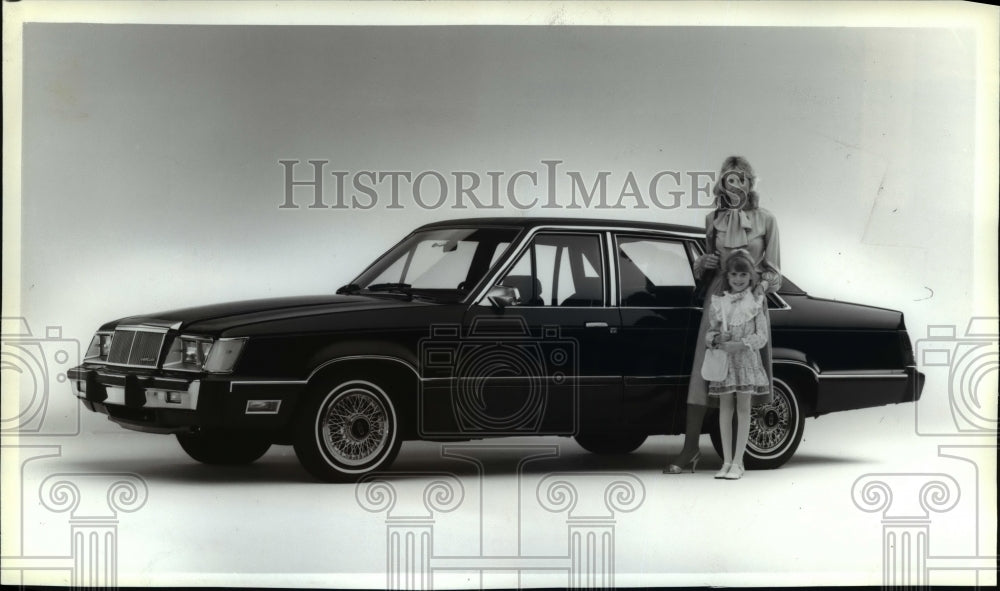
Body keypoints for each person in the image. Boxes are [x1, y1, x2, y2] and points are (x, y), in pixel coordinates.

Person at [664, 155, 781, 475]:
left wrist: (758, 291)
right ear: (722, 182)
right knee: (705, 370)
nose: (735, 184)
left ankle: (737, 458)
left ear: (750, 183)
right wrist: (704, 263)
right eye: (730, 178)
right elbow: (703, 268)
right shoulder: (712, 218)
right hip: (718, 299)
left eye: (741, 178)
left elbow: (775, 273)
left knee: (743, 375)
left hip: (751, 300)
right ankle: (690, 449)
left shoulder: (766, 220)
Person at [704, 249, 770, 480]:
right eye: (733, 274)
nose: (738, 279)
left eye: (743, 274)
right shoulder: (719, 302)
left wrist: (740, 344)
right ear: (727, 276)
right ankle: (726, 461)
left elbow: (762, 336)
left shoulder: (755, 302)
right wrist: (716, 338)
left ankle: (739, 462)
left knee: (743, 409)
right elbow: (709, 333)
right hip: (726, 364)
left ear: (751, 276)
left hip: (745, 363)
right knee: (725, 409)